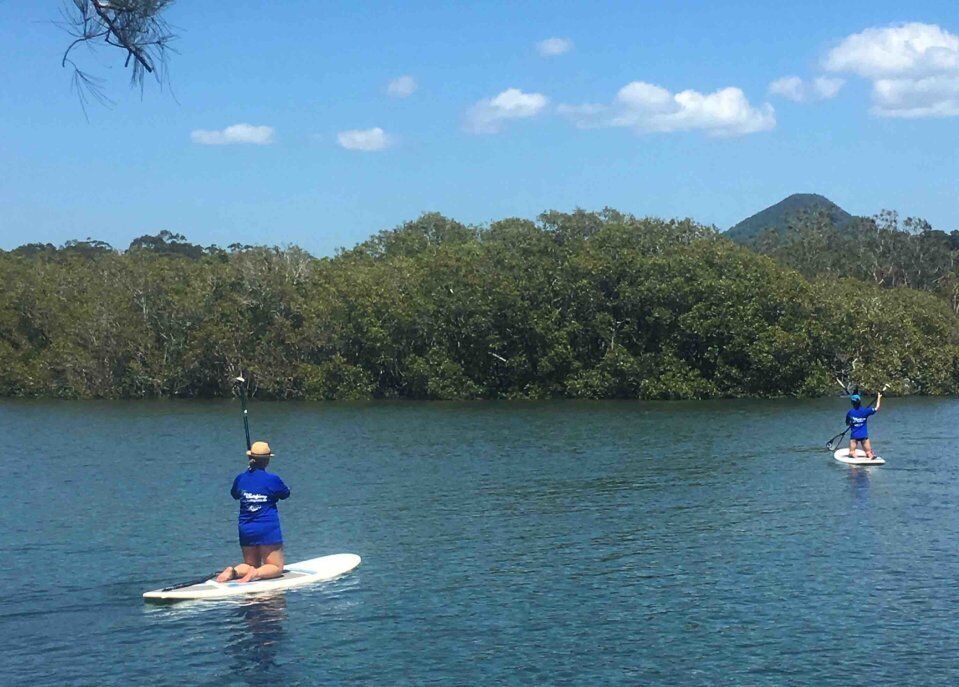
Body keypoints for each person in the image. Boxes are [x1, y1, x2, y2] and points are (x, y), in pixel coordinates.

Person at [216, 440, 291, 584]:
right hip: (267, 527)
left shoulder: (241, 478)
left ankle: (234, 571)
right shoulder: (272, 479)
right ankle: (255, 573)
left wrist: (248, 473)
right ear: (267, 460)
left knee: (250, 563)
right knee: (276, 567)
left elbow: (235, 495)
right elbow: (285, 494)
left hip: (246, 528)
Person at [846, 391, 883, 460]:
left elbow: (847, 423)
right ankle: (870, 455)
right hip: (864, 436)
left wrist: (852, 423)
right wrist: (879, 398)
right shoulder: (866, 411)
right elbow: (877, 408)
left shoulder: (850, 412)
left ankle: (855, 457)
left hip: (854, 436)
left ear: (852, 403)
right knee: (869, 452)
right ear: (860, 402)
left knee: (851, 452)